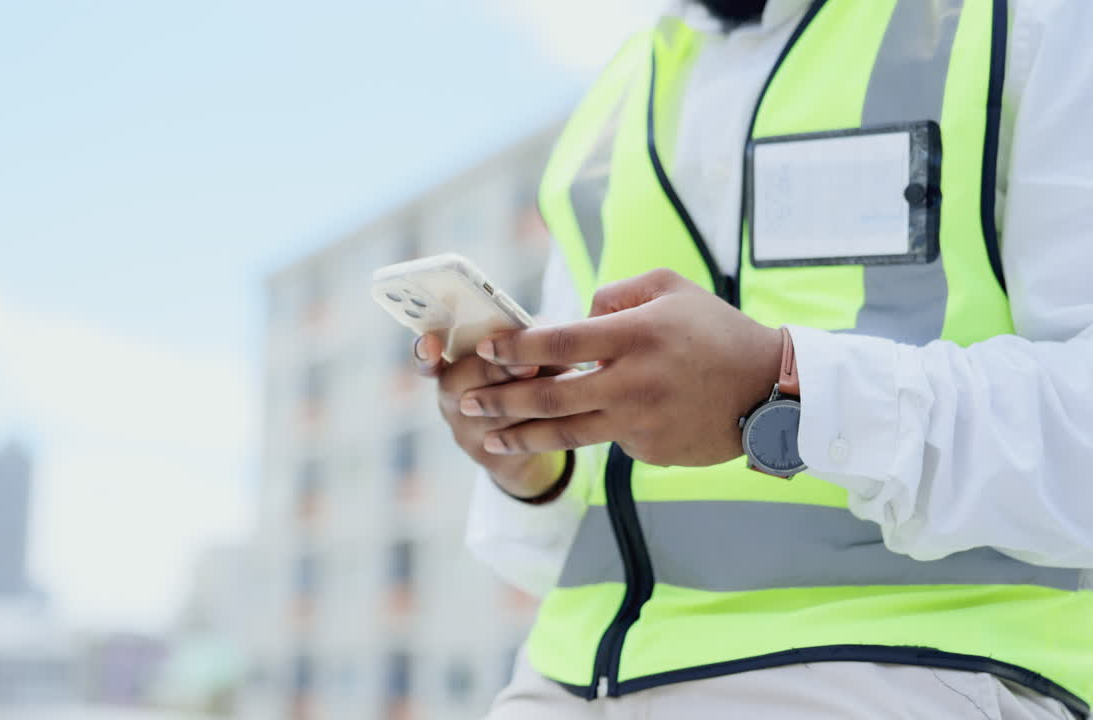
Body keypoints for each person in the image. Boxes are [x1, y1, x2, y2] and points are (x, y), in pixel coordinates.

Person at [415, 0, 1093, 717]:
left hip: (918, 672)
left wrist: (785, 393)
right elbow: (573, 536)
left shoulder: (1027, 20)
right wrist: (535, 460)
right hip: (568, 681)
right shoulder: (612, 104)